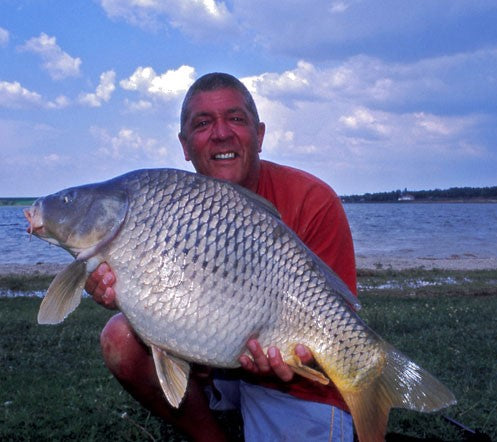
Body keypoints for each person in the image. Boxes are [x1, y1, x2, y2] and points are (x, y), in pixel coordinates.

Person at [85, 73, 357, 441]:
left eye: (236, 118)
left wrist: (299, 352)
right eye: (203, 123)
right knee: (121, 336)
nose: (221, 133)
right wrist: (121, 289)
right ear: (185, 145)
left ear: (259, 135)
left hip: (296, 380)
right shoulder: (172, 204)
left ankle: (366, 394)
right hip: (214, 359)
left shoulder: (314, 200)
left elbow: (338, 318)